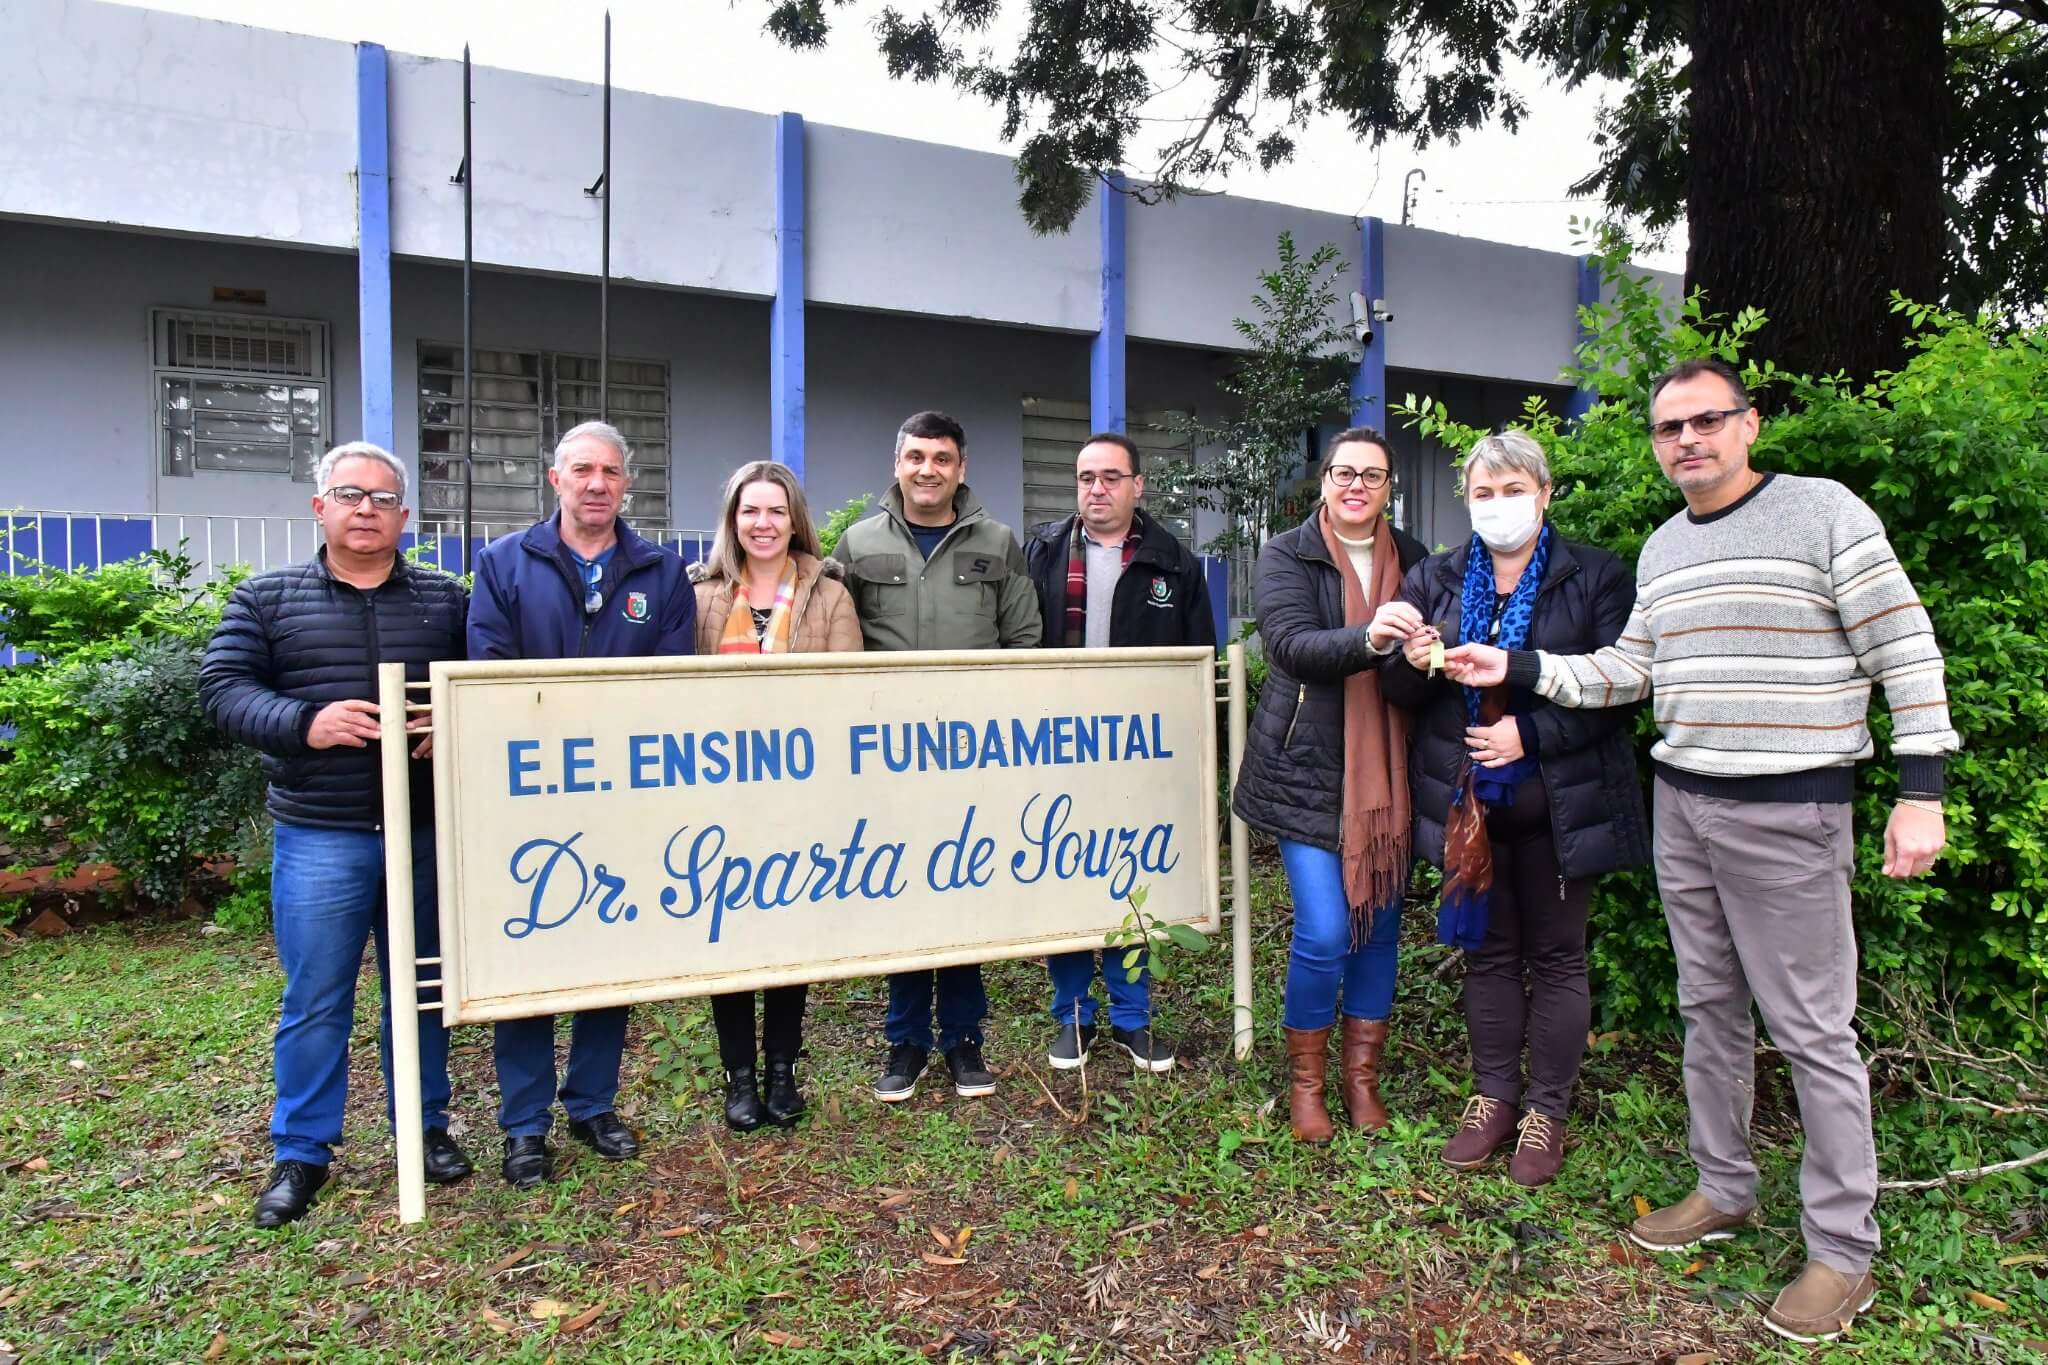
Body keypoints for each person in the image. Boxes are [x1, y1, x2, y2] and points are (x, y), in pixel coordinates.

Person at [1443, 359, 1957, 1343]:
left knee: (1811, 1031)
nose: (1686, 440)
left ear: (1747, 424)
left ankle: (1841, 1252)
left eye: (1705, 421)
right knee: (1707, 1012)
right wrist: (1515, 663)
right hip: (1683, 804)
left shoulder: (1822, 515)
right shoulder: (1666, 548)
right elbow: (1629, 670)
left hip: (1791, 811)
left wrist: (1919, 791)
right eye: (1668, 427)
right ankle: (1723, 1189)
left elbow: (1904, 644)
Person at [201, 441, 473, 1228]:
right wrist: (304, 722)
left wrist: (448, 724)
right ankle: (302, 1151)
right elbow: (222, 689)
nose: (366, 510)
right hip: (323, 832)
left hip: (424, 830)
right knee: (316, 997)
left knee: (419, 989)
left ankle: (422, 1128)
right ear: (320, 506)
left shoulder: (443, 600)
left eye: (383, 498)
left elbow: (486, 682)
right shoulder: (268, 597)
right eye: (350, 494)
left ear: (404, 516)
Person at [1375, 431, 1649, 1187]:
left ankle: (1547, 1111)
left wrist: (1527, 732)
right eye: (1484, 493)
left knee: (1558, 956)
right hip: (1470, 813)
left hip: (1563, 806)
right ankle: (1494, 1096)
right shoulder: (1436, 575)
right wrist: (1408, 658)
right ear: (1467, 500)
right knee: (1489, 955)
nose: (1499, 506)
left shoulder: (1593, 576)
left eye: (1513, 490)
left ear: (1546, 493)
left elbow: (1620, 692)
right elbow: (1404, 697)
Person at [467, 420, 696, 1188]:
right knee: (528, 951)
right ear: (553, 477)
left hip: (625, 794)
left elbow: (670, 680)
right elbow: (489, 671)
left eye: (610, 471)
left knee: (611, 950)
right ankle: (524, 1124)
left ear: (627, 484)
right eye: (581, 469)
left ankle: (593, 1102)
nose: (596, 482)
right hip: (529, 792)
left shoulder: (661, 571)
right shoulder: (503, 562)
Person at [833, 410, 1042, 1103]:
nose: (929, 469)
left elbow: (1024, 640)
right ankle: (905, 1040)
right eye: (916, 455)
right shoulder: (857, 542)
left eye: (942, 457)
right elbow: (835, 642)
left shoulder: (998, 540)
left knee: (961, 888)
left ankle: (964, 1039)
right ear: (897, 462)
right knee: (900, 892)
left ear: (961, 465)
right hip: (884, 754)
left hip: (970, 754)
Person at [1230, 426, 1427, 1144]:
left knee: (1377, 925)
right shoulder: (1289, 552)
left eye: (1372, 476)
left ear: (1388, 487)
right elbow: (1288, 644)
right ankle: (1306, 1083)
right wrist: (1375, 637)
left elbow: (1412, 672)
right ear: (1323, 480)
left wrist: (1422, 652)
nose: (1356, 486)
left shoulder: (1414, 558)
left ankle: (1360, 1077)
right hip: (1305, 770)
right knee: (1325, 929)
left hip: (1389, 774)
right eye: (1344, 472)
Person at [1023, 431, 1217, 1074]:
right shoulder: (1044, 551)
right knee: (1064, 877)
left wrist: (1195, 760)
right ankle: (1071, 1016)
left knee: (1132, 878)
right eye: (1085, 478)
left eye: (1111, 477)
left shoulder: (1176, 565)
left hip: (1140, 757)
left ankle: (1133, 1018)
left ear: (1138, 485)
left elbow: (1200, 670)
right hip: (1056, 748)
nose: (1096, 489)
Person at [689, 460, 862, 1131]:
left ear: (796, 521)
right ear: (733, 519)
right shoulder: (699, 593)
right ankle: (738, 1075)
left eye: (776, 511)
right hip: (718, 790)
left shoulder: (830, 595)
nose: (763, 524)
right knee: (727, 932)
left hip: (802, 788)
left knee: (790, 928)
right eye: (750, 511)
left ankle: (783, 1067)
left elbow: (846, 694)